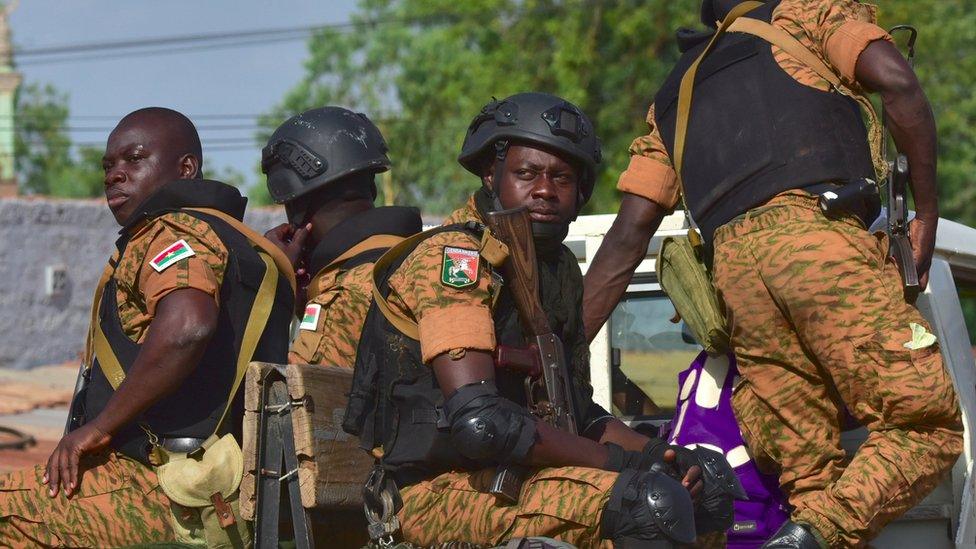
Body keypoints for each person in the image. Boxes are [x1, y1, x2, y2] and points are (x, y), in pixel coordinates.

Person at [581, 1, 963, 546]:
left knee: (811, 479)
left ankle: (808, 531)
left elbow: (627, 236)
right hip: (818, 241)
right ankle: (814, 534)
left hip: (738, 282)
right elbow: (896, 80)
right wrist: (926, 213)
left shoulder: (675, 94)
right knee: (927, 426)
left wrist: (561, 352)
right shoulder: (804, 16)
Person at [345, 92, 743, 548]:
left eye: (562, 178)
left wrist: (661, 454)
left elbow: (578, 414)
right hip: (431, 494)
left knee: (705, 489)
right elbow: (481, 425)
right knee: (647, 504)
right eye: (526, 173)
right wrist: (627, 466)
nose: (544, 191)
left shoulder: (557, 271)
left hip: (517, 476)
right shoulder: (455, 259)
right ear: (491, 175)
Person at [0, 107, 296, 548]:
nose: (114, 175)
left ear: (186, 168)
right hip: (227, 492)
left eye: (134, 160)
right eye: (108, 165)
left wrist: (96, 428)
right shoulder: (244, 246)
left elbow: (187, 326)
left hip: (161, 486)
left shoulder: (168, 231)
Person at [261, 106, 423, 368]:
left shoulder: (343, 296)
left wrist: (275, 288)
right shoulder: (414, 257)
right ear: (371, 188)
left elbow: (280, 395)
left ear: (297, 211)